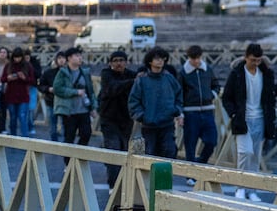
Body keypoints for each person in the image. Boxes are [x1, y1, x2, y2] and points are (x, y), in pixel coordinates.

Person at [222, 44, 277, 197]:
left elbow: (271, 98)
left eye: (259, 60)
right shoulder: (237, 73)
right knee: (244, 153)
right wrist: (233, 114)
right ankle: (239, 187)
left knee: (255, 156)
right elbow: (226, 97)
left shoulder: (266, 74)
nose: (256, 63)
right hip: (243, 119)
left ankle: (251, 190)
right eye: (253, 60)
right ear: (246, 57)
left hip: (261, 119)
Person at [128, 49, 183, 159]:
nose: (160, 61)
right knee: (149, 154)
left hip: (167, 123)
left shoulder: (169, 78)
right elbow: (133, 101)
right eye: (157, 59)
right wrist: (142, 116)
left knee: (169, 152)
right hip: (149, 125)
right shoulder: (142, 80)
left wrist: (176, 110)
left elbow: (179, 95)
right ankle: (149, 177)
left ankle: (166, 176)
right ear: (150, 61)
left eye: (163, 59)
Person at [97, 52, 137, 186]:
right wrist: (132, 82)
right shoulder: (106, 74)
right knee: (114, 149)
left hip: (126, 120)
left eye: (121, 60)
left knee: (125, 150)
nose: (118, 63)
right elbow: (112, 88)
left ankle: (124, 181)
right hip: (109, 118)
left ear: (126, 62)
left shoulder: (132, 74)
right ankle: (113, 184)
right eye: (115, 60)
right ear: (110, 63)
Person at [179, 46, 219, 163]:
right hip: (190, 112)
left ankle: (200, 163)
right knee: (190, 145)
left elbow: (215, 84)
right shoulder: (182, 73)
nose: (196, 61)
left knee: (212, 141)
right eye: (193, 58)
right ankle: (190, 177)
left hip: (208, 111)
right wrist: (180, 113)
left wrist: (212, 95)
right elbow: (179, 93)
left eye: (198, 58)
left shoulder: (208, 69)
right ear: (189, 58)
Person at [53, 49, 94, 146]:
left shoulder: (85, 73)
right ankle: (69, 160)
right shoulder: (62, 73)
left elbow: (90, 91)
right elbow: (57, 89)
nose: (80, 58)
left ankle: (78, 156)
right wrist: (75, 92)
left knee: (86, 134)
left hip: (84, 109)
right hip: (69, 111)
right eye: (77, 56)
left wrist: (93, 107)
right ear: (69, 58)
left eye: (80, 55)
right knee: (69, 137)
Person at [0, 48, 37, 136]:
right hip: (11, 95)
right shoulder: (8, 65)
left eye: (19, 58)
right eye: (15, 58)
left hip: (23, 95)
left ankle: (24, 138)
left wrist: (24, 78)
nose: (17, 60)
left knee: (23, 117)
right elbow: (2, 79)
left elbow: (33, 81)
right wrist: (8, 78)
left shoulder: (28, 66)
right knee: (13, 118)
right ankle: (13, 137)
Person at [40, 51, 68, 142]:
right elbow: (41, 85)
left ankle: (66, 144)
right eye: (59, 58)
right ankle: (54, 143)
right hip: (51, 101)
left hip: (65, 102)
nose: (61, 60)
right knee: (53, 125)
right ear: (56, 60)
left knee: (66, 125)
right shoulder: (48, 72)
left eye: (63, 58)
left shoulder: (69, 73)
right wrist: (48, 89)